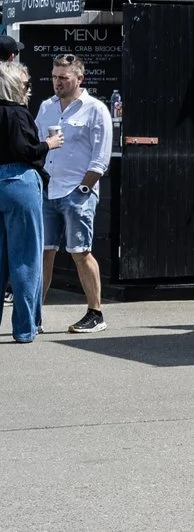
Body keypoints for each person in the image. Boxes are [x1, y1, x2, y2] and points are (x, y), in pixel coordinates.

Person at [35, 55, 112, 333]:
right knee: (43, 253)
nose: (57, 82)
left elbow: (100, 158)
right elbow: (37, 143)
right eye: (55, 76)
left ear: (79, 78)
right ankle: (34, 314)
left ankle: (95, 312)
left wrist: (83, 189)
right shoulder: (46, 107)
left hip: (77, 190)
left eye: (63, 78)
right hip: (48, 189)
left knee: (80, 252)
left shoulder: (95, 109)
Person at [0, 42, 43, 342]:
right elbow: (26, 150)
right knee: (26, 258)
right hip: (18, 181)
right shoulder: (18, 114)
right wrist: (48, 146)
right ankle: (25, 327)